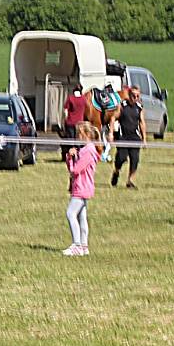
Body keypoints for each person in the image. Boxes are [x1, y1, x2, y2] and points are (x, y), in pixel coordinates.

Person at [63, 122, 101, 256]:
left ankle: (77, 245)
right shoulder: (86, 150)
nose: (78, 136)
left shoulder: (88, 151)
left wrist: (71, 159)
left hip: (81, 187)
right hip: (83, 187)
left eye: (79, 134)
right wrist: (71, 157)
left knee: (70, 213)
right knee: (81, 216)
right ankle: (84, 246)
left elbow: (75, 170)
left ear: (86, 135)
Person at [110, 85, 146, 190]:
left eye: (137, 96)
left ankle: (130, 181)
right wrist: (111, 133)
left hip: (135, 137)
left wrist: (144, 139)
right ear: (129, 95)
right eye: (133, 95)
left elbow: (142, 123)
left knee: (134, 160)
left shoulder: (139, 107)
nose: (135, 98)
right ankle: (116, 172)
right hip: (123, 137)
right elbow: (113, 118)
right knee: (121, 158)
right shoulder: (123, 105)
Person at [62, 84, 87, 161]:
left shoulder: (70, 98)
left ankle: (72, 157)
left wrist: (64, 120)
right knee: (78, 140)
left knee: (71, 141)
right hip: (80, 124)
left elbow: (65, 111)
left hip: (70, 122)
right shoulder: (83, 99)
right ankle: (79, 156)